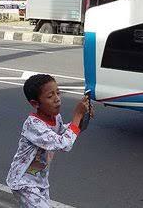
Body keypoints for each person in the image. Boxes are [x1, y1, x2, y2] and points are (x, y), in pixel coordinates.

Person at [6, 74, 91, 208]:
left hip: (40, 180)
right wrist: (77, 115)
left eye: (58, 93)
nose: (57, 99)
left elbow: (63, 133)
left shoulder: (56, 118)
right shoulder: (33, 125)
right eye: (50, 96)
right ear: (35, 103)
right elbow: (64, 144)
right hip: (23, 182)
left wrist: (82, 118)